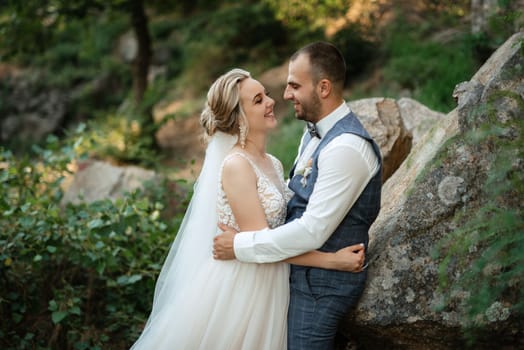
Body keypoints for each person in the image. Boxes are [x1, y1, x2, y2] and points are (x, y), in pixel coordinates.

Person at [130, 68, 367, 350]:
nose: (270, 101)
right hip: (244, 288)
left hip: (272, 282)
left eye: (265, 93)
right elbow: (262, 243)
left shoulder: (273, 162)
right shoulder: (237, 165)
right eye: (257, 100)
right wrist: (332, 260)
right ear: (238, 118)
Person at [213, 42, 382, 349]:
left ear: (324, 87)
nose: (284, 96)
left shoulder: (345, 148)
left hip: (320, 289)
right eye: (260, 98)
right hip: (284, 278)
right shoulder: (311, 133)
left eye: (294, 85)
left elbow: (311, 230)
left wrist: (239, 245)